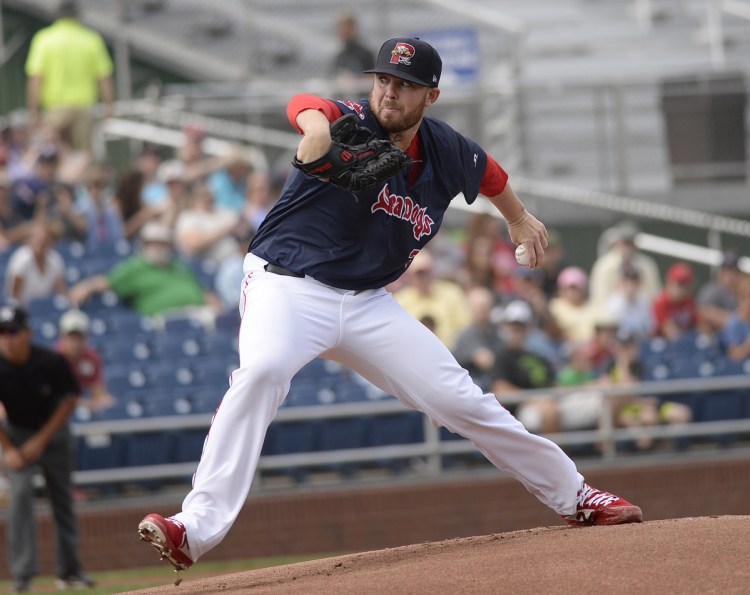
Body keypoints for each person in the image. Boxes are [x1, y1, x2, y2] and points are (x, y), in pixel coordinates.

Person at [137, 37, 642, 575]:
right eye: (383, 80)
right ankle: (193, 528)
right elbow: (307, 104)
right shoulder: (350, 122)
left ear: (432, 96)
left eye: (405, 85)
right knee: (261, 372)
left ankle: (577, 498)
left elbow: (489, 172)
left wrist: (517, 217)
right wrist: (313, 129)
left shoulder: (447, 149)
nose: (390, 92)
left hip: (367, 304)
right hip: (288, 286)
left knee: (463, 401)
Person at [0, 303, 95, 592]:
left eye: (13, 330)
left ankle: (70, 571)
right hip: (16, 435)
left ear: (28, 332)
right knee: (19, 495)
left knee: (62, 499)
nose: (7, 337)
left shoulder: (50, 361)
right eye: (2, 332)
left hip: (53, 433)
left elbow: (69, 400)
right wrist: (9, 449)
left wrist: (41, 440)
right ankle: (22, 574)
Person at [69, 221, 219, 318]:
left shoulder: (179, 266)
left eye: (162, 243)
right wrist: (86, 287)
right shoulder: (136, 267)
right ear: (145, 245)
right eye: (153, 243)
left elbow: (201, 291)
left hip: (199, 312)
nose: (158, 247)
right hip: (167, 317)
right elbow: (108, 281)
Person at [24, 0, 114, 153]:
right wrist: (109, 108)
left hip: (54, 109)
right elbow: (104, 78)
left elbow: (35, 79)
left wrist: (33, 112)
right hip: (83, 109)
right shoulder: (92, 40)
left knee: (51, 153)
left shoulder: (44, 39)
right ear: (77, 16)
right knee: (84, 157)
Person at [393, 248, 471, 349]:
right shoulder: (400, 300)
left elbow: (465, 327)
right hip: (414, 353)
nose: (423, 277)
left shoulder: (452, 293)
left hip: (451, 353)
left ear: (433, 271)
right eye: (419, 273)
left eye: (427, 272)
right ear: (410, 275)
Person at [589, 221, 661, 309]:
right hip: (612, 317)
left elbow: (654, 296)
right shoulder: (603, 266)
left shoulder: (647, 265)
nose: (627, 246)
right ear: (616, 242)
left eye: (630, 242)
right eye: (624, 242)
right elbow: (599, 299)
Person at [55, 308, 115, 413]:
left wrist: (102, 401)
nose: (75, 343)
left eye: (79, 337)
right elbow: (56, 395)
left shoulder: (91, 358)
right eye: (72, 337)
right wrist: (83, 404)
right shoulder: (54, 359)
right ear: (63, 337)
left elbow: (99, 391)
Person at [4, 222, 67, 307]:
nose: (41, 244)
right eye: (38, 240)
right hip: (23, 308)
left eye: (45, 241)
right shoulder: (21, 259)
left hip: (46, 308)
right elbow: (14, 296)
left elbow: (61, 291)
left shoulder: (55, 259)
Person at [696, 251, 742, 335]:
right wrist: (735, 321)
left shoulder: (741, 292)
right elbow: (704, 312)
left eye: (735, 272)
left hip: (734, 337)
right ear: (721, 273)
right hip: (713, 338)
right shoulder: (712, 290)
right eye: (729, 272)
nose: (732, 276)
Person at [652, 261, 698, 340]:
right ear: (669, 283)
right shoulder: (661, 302)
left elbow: (698, 326)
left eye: (687, 285)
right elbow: (670, 332)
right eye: (680, 284)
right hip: (661, 345)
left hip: (683, 343)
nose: (683, 289)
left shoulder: (689, 301)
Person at [330, 11, 375, 80]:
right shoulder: (339, 57)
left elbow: (375, 77)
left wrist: (356, 78)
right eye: (342, 28)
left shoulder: (365, 54)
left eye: (348, 28)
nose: (345, 31)